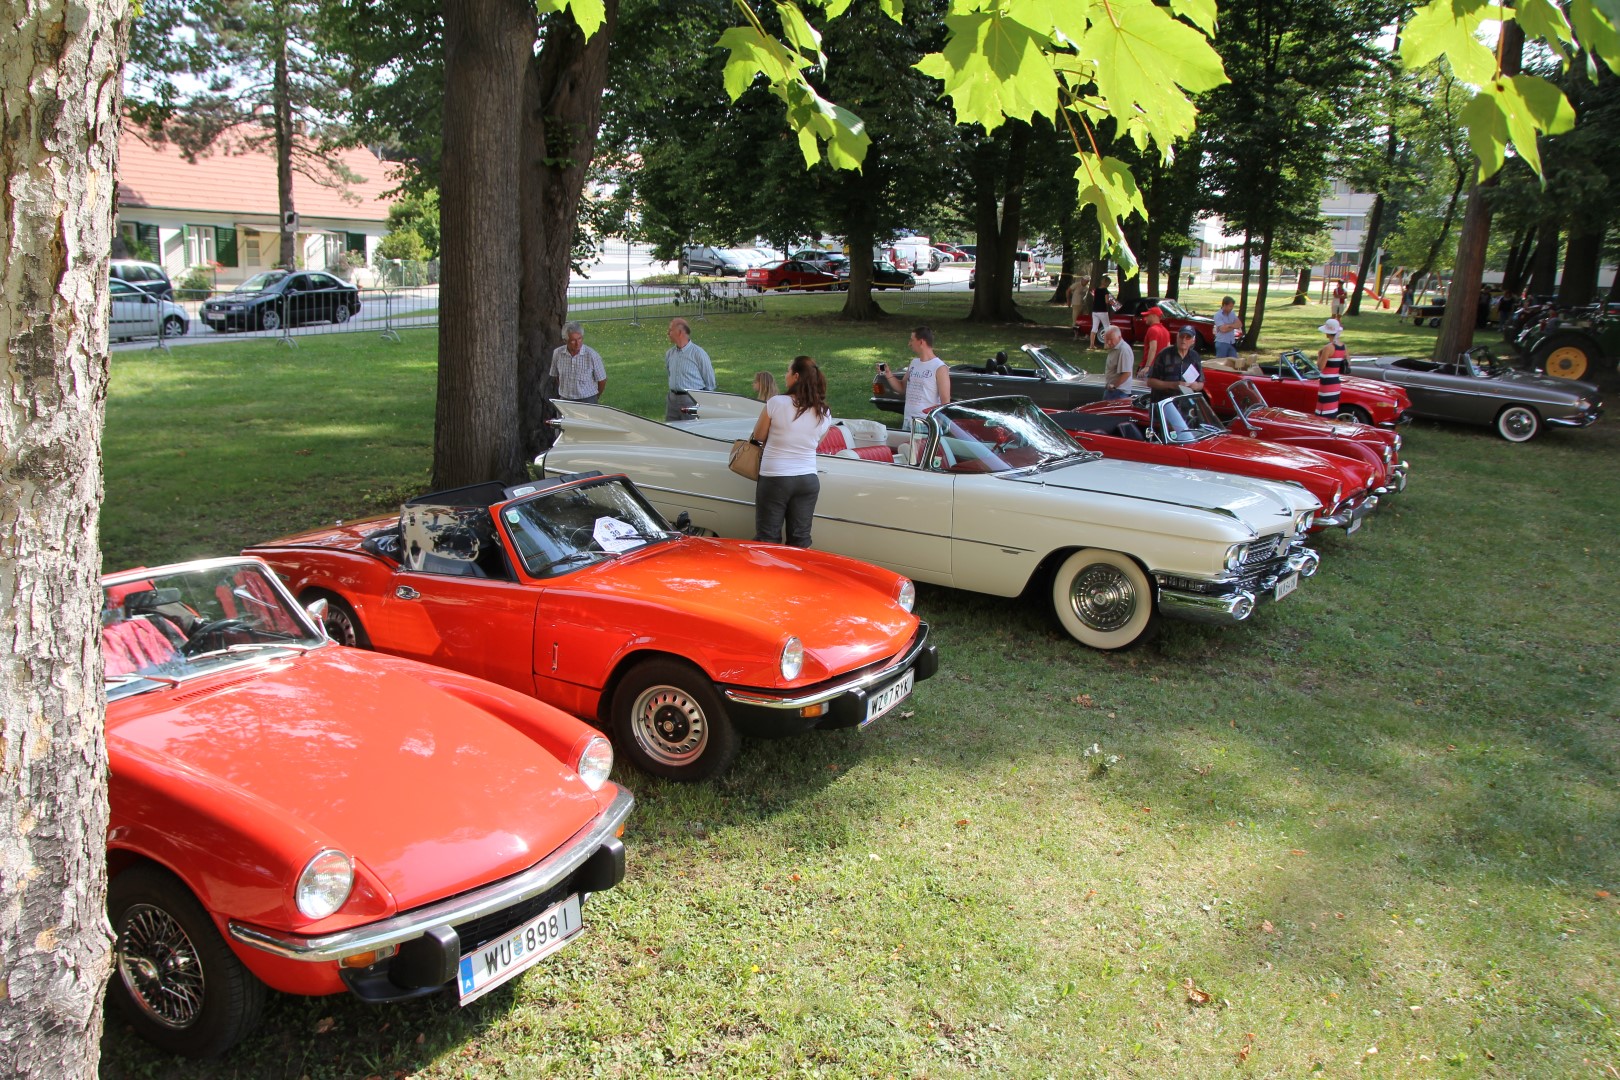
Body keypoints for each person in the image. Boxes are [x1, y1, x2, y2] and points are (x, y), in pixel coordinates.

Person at [750, 355, 833, 548]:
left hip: (775, 477)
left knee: (768, 537)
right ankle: (798, 576)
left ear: (796, 376)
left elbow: (759, 436)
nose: (785, 375)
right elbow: (816, 442)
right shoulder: (823, 412)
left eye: (788, 371)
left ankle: (768, 576)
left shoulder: (777, 403)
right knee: (800, 540)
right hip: (808, 479)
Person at [877, 325, 950, 424]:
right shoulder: (914, 363)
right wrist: (888, 374)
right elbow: (902, 388)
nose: (909, 344)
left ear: (921, 342)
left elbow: (945, 402)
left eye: (912, 340)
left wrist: (937, 425)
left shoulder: (939, 367)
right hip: (908, 421)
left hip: (925, 423)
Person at [664, 317, 716, 420]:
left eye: (670, 330)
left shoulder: (698, 354)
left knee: (691, 432)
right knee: (671, 431)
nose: (668, 333)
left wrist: (702, 403)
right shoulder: (670, 354)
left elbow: (710, 383)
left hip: (691, 401)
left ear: (680, 332)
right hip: (672, 400)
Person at [549, 321, 607, 403]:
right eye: (573, 340)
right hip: (565, 399)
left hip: (587, 399)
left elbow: (602, 380)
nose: (577, 343)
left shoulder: (592, 355)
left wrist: (594, 398)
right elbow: (557, 375)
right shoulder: (557, 353)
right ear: (565, 341)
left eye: (579, 339)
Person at [1145, 325, 1205, 401]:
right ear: (1177, 337)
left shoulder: (1195, 357)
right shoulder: (1164, 354)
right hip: (1164, 404)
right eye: (1181, 336)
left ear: (1193, 341)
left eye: (1188, 337)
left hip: (1185, 405)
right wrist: (1173, 385)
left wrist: (1196, 386)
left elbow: (1201, 383)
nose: (1184, 340)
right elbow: (1150, 382)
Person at [1316, 318, 1347, 418]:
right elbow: (1347, 361)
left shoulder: (1328, 348)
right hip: (1336, 380)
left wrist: (1319, 355)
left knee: (1323, 409)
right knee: (1332, 409)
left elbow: (1321, 366)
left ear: (1327, 333)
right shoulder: (1343, 346)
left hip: (1327, 381)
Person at [1102, 326, 1135, 399]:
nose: (1109, 342)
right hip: (1114, 391)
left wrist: (1113, 386)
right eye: (1107, 340)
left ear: (1119, 337)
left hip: (1118, 392)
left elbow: (1126, 373)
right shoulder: (1115, 347)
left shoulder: (1123, 350)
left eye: (1111, 339)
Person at [1140, 306, 1171, 373]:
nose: (1145, 318)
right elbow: (1168, 350)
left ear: (1154, 316)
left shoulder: (1152, 329)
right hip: (1161, 367)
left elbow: (1153, 348)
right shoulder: (1165, 331)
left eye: (1147, 315)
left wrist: (1147, 366)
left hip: (1151, 367)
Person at [1088, 275, 1113, 349]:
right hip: (1102, 311)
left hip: (1095, 311)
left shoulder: (1096, 290)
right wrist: (1110, 302)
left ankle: (1091, 344)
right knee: (1107, 327)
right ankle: (1106, 344)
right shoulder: (1105, 291)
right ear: (1107, 283)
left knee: (1094, 328)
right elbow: (1106, 301)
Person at [1068, 275, 1091, 339]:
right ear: (1082, 280)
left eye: (1087, 282)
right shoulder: (1076, 285)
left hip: (1083, 304)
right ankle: (1076, 334)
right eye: (1085, 281)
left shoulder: (1086, 287)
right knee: (1075, 319)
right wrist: (1068, 301)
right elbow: (1068, 291)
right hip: (1076, 304)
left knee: (1085, 319)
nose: (1086, 283)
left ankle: (1086, 333)